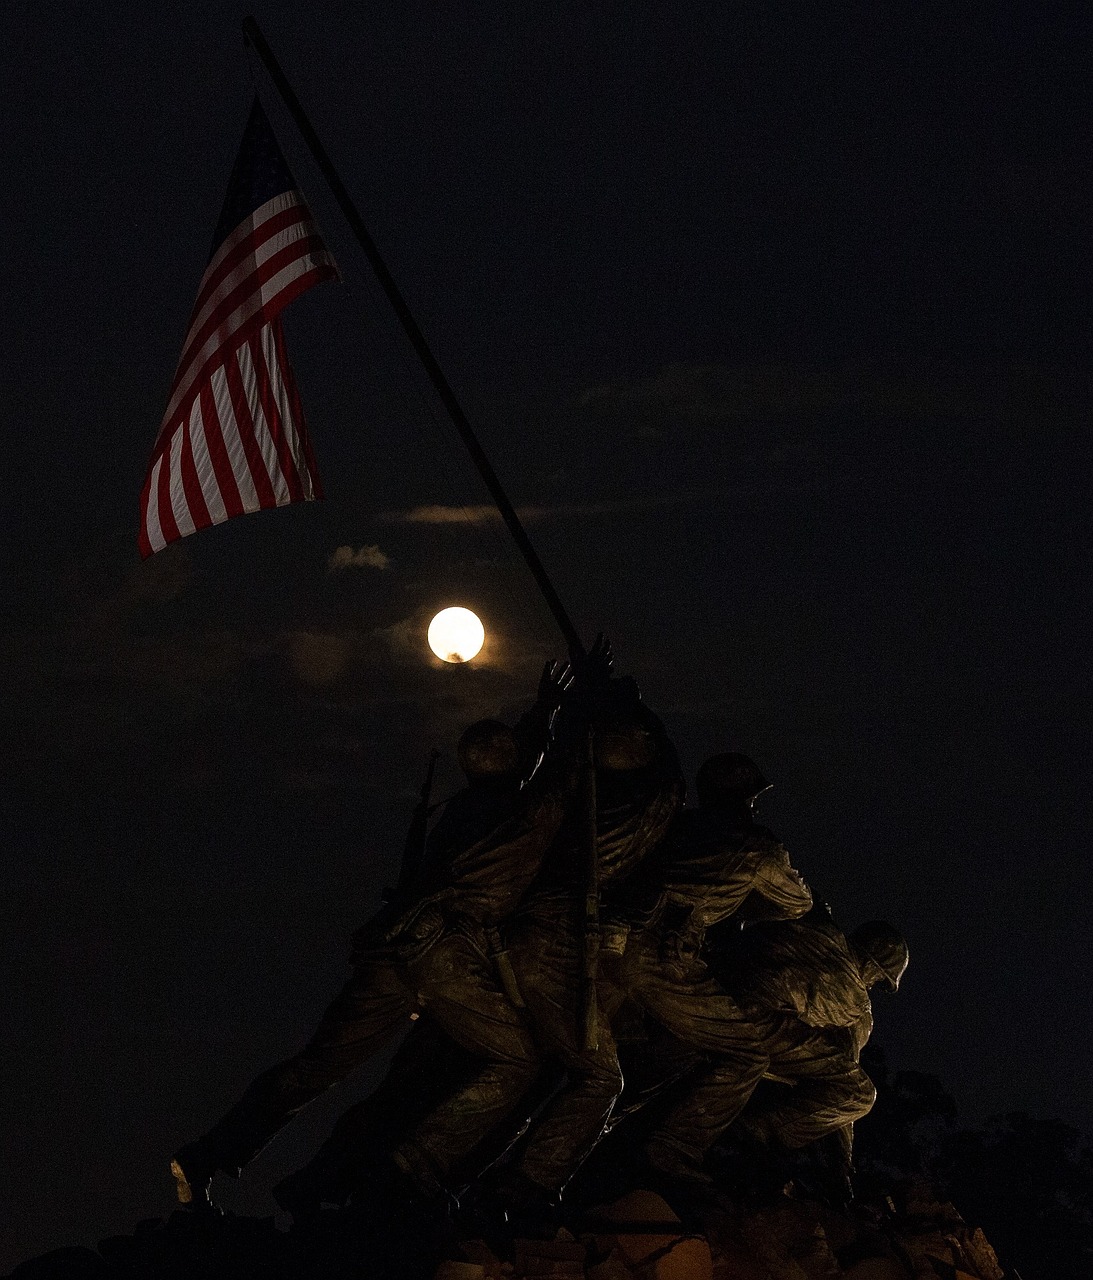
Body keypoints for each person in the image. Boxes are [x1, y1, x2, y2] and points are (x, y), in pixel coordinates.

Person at [170, 659, 576, 1210]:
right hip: (447, 959)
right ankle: (413, 1171)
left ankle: (206, 1156)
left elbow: (516, 764)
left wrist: (542, 711)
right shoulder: (527, 814)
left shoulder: (462, 808)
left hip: (393, 949)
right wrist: (567, 710)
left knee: (318, 1065)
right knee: (521, 1058)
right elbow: (555, 776)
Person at [601, 752, 814, 1184]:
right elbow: (797, 903)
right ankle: (672, 1150)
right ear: (746, 800)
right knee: (748, 1054)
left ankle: (600, 1139)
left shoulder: (676, 825)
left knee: (608, 1061)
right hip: (662, 958)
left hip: (611, 942)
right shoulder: (756, 845)